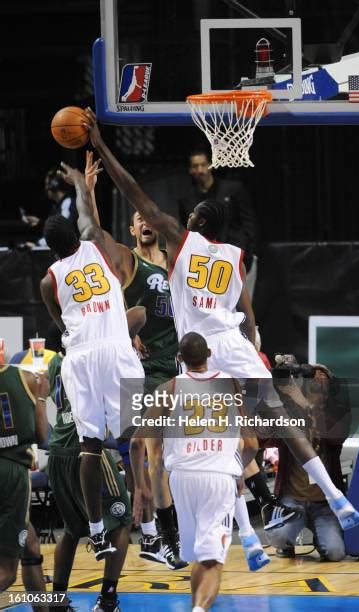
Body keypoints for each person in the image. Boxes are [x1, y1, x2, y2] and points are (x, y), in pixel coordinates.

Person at [83, 106, 359, 535]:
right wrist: (253, 352)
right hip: (234, 342)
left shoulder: (182, 240)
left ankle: (215, 532)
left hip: (200, 354)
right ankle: (334, 496)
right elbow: (248, 318)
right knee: (280, 423)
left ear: (196, 221)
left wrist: (101, 143)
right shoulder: (234, 257)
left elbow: (136, 192)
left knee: (196, 446)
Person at [39, 161, 145, 561]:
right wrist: (84, 184)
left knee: (90, 444)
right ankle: (149, 527)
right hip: (117, 348)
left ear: (51, 249)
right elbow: (87, 213)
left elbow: (60, 322)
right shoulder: (96, 244)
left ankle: (97, 532)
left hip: (81, 354)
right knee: (134, 437)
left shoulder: (49, 278)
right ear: (76, 236)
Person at [85, 151, 185, 570]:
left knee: (162, 458)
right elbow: (94, 235)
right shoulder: (129, 262)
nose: (144, 223)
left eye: (149, 219)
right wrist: (89, 192)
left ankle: (162, 533)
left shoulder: (178, 262)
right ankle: (160, 535)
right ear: (131, 228)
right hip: (138, 371)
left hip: (174, 365)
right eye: (136, 220)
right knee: (145, 451)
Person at [131, 332, 269, 612]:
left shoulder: (167, 389)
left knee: (200, 558)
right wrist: (238, 469)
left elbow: (136, 443)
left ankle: (196, 606)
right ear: (209, 355)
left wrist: (140, 487)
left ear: (179, 359)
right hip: (217, 478)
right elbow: (252, 443)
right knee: (214, 561)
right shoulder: (228, 385)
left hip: (181, 479)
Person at [47, 306, 145, 612]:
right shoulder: (96, 360)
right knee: (123, 520)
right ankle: (108, 598)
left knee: (72, 529)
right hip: (83, 451)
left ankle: (56, 599)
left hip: (57, 452)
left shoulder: (56, 366)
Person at [266, 364, 350, 561]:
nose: (318, 378)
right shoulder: (289, 411)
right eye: (314, 374)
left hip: (324, 503)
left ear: (331, 387)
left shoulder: (337, 413)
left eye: (324, 376)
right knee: (278, 537)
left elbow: (336, 438)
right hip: (292, 500)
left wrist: (305, 404)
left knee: (335, 552)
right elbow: (266, 438)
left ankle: (321, 537)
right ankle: (289, 539)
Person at [0, 363, 49, 603]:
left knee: (30, 546)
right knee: (7, 573)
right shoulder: (27, 377)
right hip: (11, 475)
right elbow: (42, 436)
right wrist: (41, 398)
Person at [178, 149, 258, 274]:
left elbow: (249, 223)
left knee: (243, 293)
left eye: (203, 165)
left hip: (237, 255)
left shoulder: (233, 189)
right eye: (195, 166)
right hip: (206, 262)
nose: (200, 170)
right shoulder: (186, 200)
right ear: (191, 170)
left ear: (210, 165)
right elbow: (188, 232)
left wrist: (248, 253)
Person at [24, 166, 78, 248]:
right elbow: (55, 228)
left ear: (54, 185)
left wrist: (37, 245)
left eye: (47, 184)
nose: (46, 188)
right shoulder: (58, 206)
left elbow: (60, 231)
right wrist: (40, 223)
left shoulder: (68, 203)